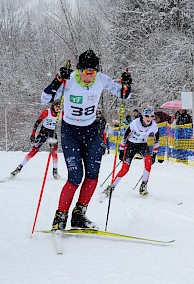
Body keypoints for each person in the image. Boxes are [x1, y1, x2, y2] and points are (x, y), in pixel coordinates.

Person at [41, 49, 132, 232]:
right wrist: (58, 80)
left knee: (92, 176)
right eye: (86, 71)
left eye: (93, 71)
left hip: (91, 131)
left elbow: (124, 95)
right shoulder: (70, 79)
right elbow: (45, 99)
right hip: (71, 132)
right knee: (75, 177)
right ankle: (60, 217)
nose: (90, 75)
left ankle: (79, 215)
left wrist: (127, 85)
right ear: (79, 70)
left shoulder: (101, 79)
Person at [103, 106, 159, 196]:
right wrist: (121, 149)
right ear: (143, 116)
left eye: (151, 116)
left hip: (143, 144)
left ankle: (143, 186)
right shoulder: (135, 123)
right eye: (147, 116)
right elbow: (125, 136)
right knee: (125, 169)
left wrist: (154, 154)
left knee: (148, 163)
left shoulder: (153, 126)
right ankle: (112, 186)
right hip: (131, 145)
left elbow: (157, 140)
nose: (149, 118)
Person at [9, 101, 61, 179]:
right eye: (56, 106)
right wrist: (33, 134)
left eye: (59, 107)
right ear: (53, 106)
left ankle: (55, 172)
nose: (58, 108)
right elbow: (37, 123)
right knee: (33, 151)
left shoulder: (62, 114)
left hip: (53, 134)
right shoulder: (46, 112)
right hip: (43, 132)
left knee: (54, 153)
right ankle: (18, 169)